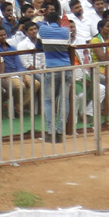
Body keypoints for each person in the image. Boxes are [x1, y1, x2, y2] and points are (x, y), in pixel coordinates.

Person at [36, 11, 72, 143]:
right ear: (58, 21)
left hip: (51, 68)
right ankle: (60, 132)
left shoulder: (43, 29)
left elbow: (38, 45)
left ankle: (51, 132)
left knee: (48, 101)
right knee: (64, 100)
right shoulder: (65, 31)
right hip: (66, 67)